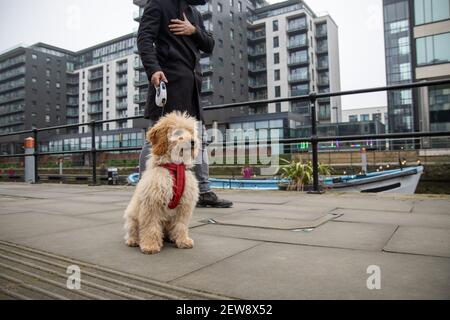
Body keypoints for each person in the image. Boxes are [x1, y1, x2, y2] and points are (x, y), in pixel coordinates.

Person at [137, 0, 232, 208]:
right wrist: (153, 69)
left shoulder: (194, 13)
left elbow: (209, 44)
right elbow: (144, 38)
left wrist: (193, 30)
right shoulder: (159, 4)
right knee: (157, 138)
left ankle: (203, 191)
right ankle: (145, 191)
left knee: (199, 138)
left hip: (192, 88)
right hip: (168, 82)